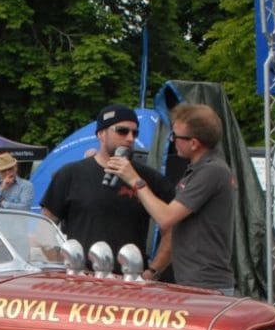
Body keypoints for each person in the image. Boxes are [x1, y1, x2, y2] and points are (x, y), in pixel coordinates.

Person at [109, 103, 236, 294]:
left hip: (207, 284)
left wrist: (134, 179)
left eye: (176, 136)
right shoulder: (197, 170)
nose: (172, 140)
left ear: (194, 143)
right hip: (191, 280)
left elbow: (166, 218)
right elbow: (176, 227)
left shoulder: (212, 171)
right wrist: (153, 272)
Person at [40, 103, 175, 266]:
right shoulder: (71, 173)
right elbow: (45, 226)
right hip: (81, 280)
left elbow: (173, 226)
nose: (130, 138)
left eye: (135, 133)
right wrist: (60, 265)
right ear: (101, 134)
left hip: (129, 280)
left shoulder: (148, 177)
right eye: (122, 131)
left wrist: (153, 271)